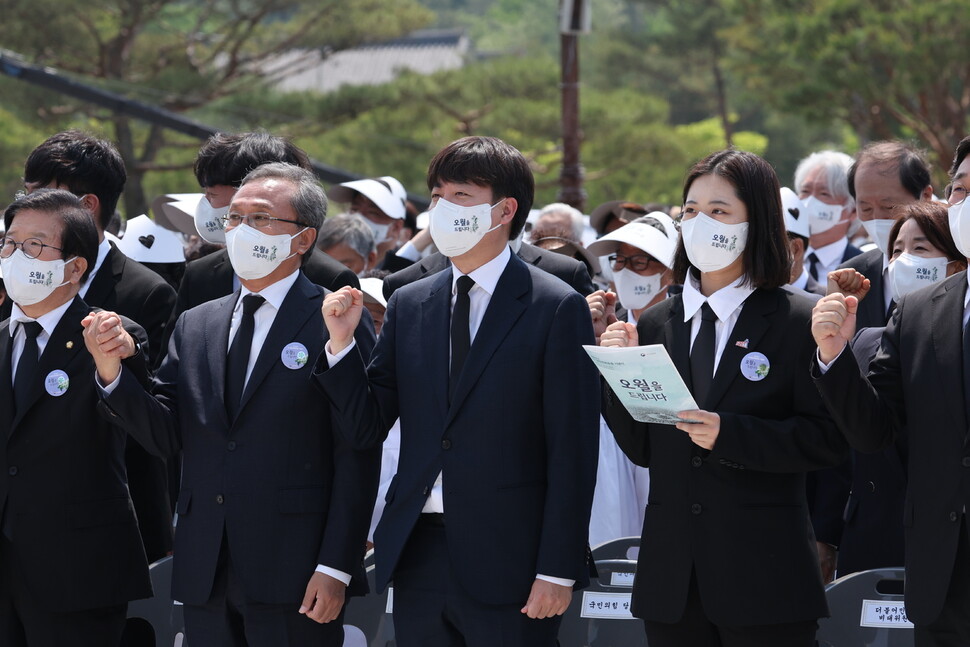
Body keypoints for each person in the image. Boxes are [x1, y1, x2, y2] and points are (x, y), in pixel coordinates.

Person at [318, 136, 599, 647]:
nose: (443, 207)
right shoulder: (410, 301)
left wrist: (557, 569)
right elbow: (367, 424)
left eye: (461, 195)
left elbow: (573, 448)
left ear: (504, 210)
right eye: (437, 195)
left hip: (513, 554)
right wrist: (340, 348)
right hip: (418, 550)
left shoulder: (555, 305)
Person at [91, 163, 380, 647]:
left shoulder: (334, 317)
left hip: (297, 571)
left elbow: (358, 445)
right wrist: (112, 374)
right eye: (234, 218)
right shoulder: (198, 323)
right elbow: (167, 434)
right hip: (207, 566)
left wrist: (336, 566)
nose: (242, 230)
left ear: (303, 238)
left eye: (261, 218)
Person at [601, 149, 848, 646]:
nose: (698, 223)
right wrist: (616, 375)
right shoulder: (654, 324)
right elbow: (646, 448)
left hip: (765, 578)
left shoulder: (799, 319)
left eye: (719, 211)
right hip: (673, 582)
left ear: (755, 222)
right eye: (689, 210)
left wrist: (730, 435)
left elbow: (828, 441)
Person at [811, 197, 970, 645]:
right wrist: (834, 353)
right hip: (939, 573)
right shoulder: (918, 313)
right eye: (960, 188)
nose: (901, 261)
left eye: (919, 248)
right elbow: (871, 431)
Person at [0, 190, 151, 646]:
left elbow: (153, 434)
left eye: (33, 246)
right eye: (9, 243)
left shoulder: (110, 335)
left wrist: (113, 369)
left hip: (77, 570)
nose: (15, 255)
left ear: (75, 266)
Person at [20, 130, 176, 564]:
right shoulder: (14, 282)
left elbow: (152, 418)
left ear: (87, 207)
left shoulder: (147, 294)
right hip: (19, 514)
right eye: (26, 193)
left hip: (108, 522)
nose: (28, 207)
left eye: (42, 195)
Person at [172, 133, 360, 335]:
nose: (207, 203)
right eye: (235, 215)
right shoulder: (200, 274)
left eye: (212, 194)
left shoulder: (330, 279)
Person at [795, 150, 862, 282]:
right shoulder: (776, 261)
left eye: (824, 194)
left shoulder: (866, 269)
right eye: (805, 191)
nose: (809, 202)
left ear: (853, 210)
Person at [327, 178, 413, 272]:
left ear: (396, 228)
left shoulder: (404, 278)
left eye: (372, 213)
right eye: (355, 209)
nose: (357, 217)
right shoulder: (328, 259)